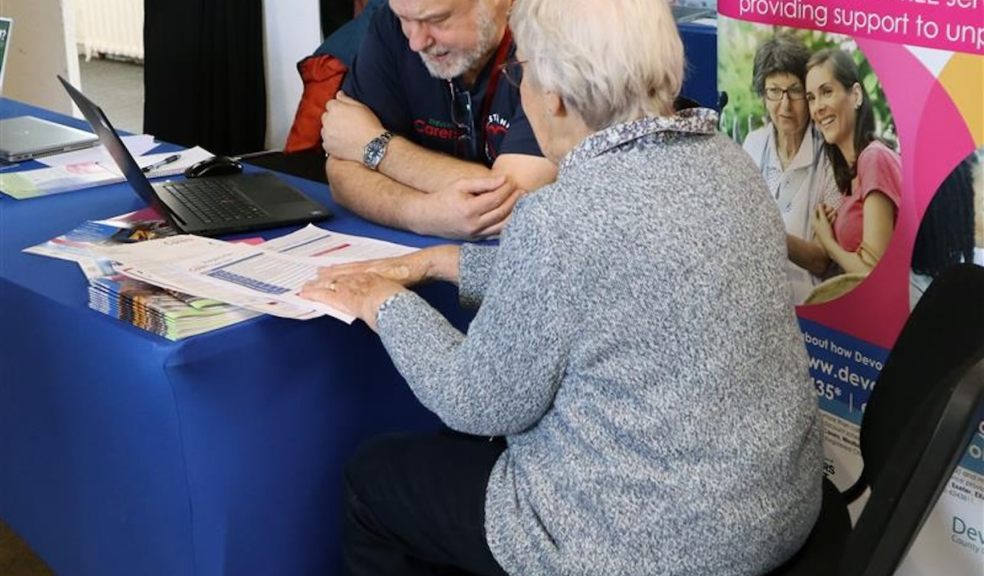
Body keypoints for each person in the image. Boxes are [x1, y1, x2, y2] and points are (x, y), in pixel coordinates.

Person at [303, 0, 822, 574]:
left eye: (520, 69)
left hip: (647, 543)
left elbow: (476, 401)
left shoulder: (560, 219)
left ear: (552, 94)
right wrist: (449, 262)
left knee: (375, 480)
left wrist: (383, 302)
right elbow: (615, 283)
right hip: (776, 513)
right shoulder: (730, 163)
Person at [320, 0, 557, 240]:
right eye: (405, 20)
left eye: (437, 20)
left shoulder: (555, 38)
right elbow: (342, 169)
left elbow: (515, 201)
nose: (416, 42)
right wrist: (421, 213)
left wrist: (376, 146)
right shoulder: (392, 25)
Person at [742, 35, 841, 304]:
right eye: (774, 91)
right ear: (763, 94)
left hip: (809, 306)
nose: (785, 106)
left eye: (795, 91)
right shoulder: (753, 143)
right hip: (756, 295)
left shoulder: (830, 158)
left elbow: (823, 260)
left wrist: (766, 230)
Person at [806, 48, 902, 276]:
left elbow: (871, 273)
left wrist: (828, 242)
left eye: (826, 92)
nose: (818, 107)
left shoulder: (874, 158)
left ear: (856, 95)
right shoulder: (852, 173)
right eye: (811, 98)